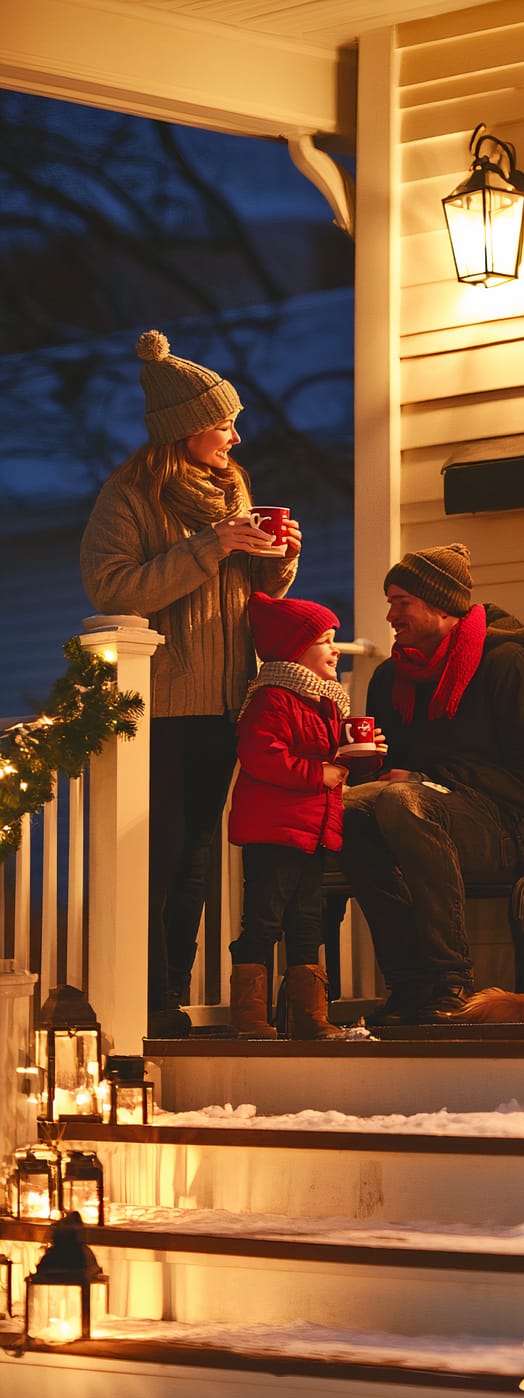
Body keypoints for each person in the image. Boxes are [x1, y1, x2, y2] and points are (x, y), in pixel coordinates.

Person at [80, 330, 299, 1038]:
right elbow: (113, 587)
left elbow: (247, 589)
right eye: (223, 424)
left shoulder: (230, 489)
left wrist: (278, 559)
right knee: (161, 851)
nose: (236, 437)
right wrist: (211, 546)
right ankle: (144, 999)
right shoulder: (129, 496)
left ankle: (172, 989)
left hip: (225, 699)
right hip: (160, 704)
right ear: (184, 431)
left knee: (199, 853)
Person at [338, 542, 524, 1025]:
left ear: (440, 604)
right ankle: (408, 984)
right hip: (413, 814)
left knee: (404, 801)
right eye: (389, 602)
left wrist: (428, 780)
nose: (390, 615)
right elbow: (391, 774)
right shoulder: (389, 677)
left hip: (501, 828)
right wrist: (361, 767)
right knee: (348, 812)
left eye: (401, 602)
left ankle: (450, 984)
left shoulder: (508, 663)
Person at [227, 592, 378, 1040]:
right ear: (295, 650)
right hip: (274, 831)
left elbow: (330, 761)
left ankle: (308, 1016)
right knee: (264, 918)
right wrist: (320, 772)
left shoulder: (327, 703)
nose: (335, 649)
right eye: (326, 640)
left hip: (313, 830)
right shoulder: (272, 698)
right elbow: (262, 755)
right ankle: (250, 1017)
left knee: (307, 919)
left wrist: (358, 754)